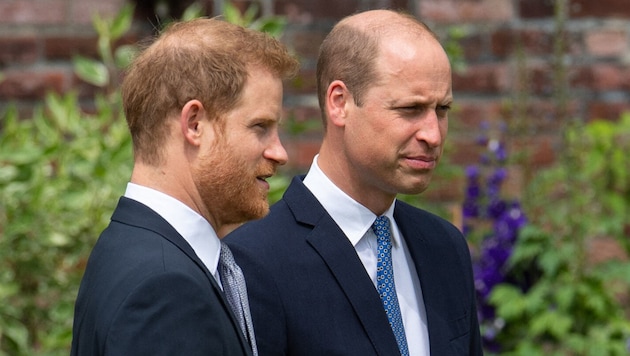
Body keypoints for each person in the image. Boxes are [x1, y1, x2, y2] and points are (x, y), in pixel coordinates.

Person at [225, 9, 483, 356]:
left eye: (442, 110)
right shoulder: (254, 261)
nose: (433, 134)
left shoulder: (445, 247)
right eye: (410, 109)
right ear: (340, 103)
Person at [71, 17, 298, 355]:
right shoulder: (164, 288)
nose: (279, 153)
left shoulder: (129, 247)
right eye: (260, 126)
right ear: (194, 124)